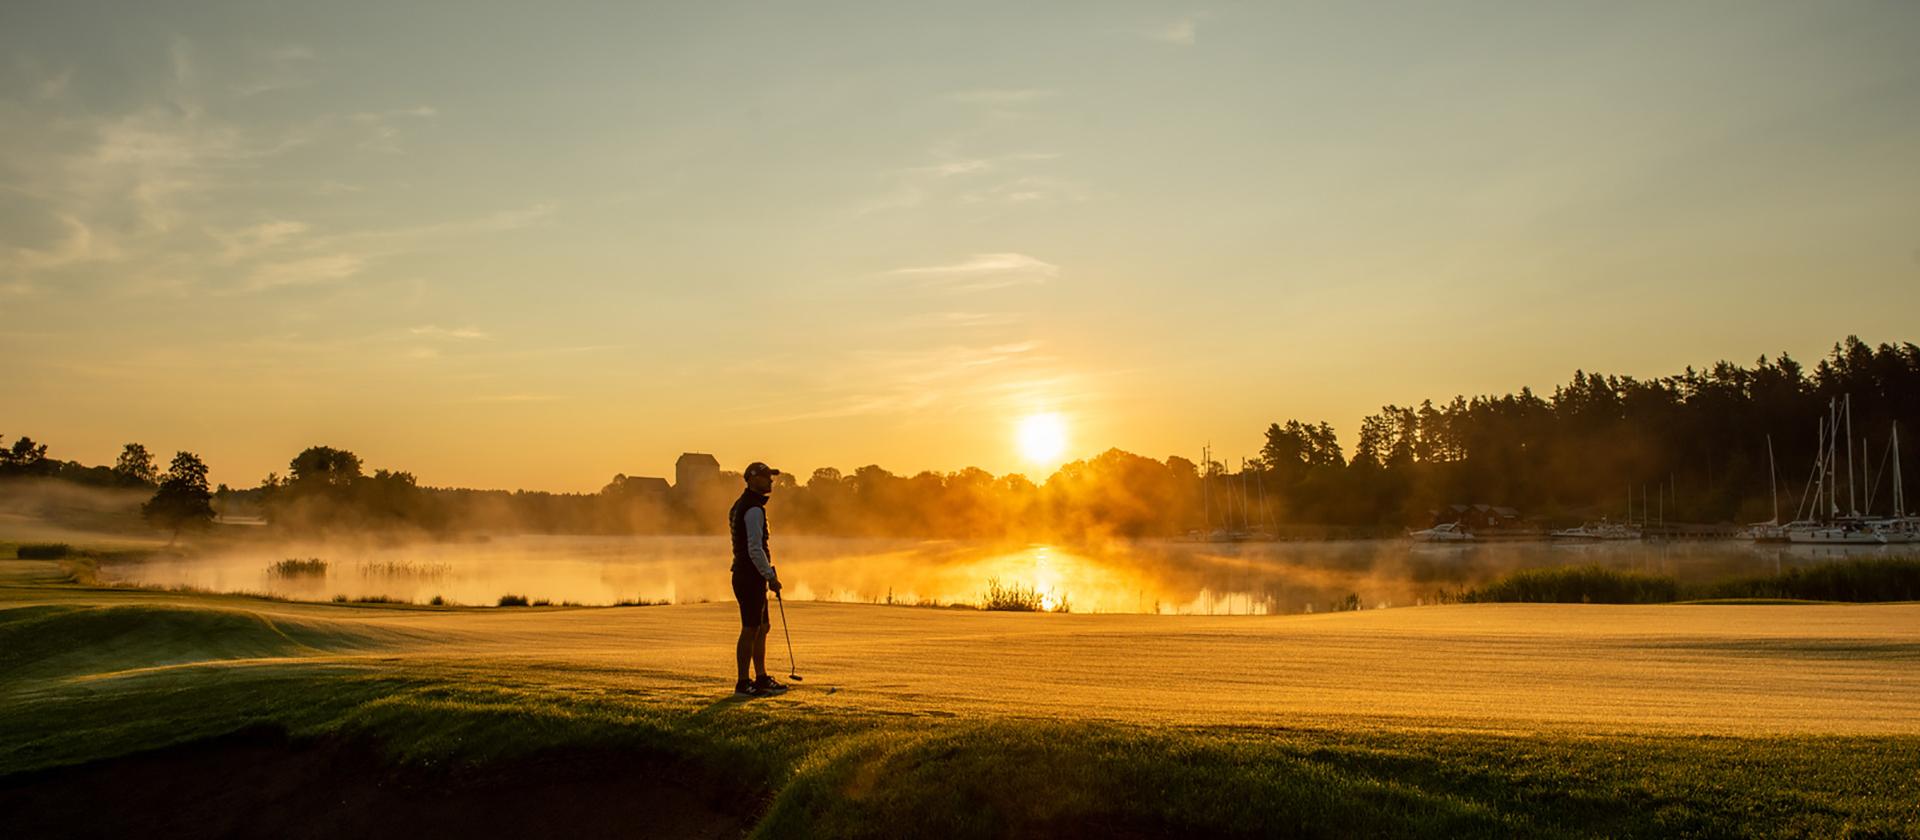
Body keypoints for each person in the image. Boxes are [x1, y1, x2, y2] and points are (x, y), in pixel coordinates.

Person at [730, 461, 788, 696]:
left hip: (748, 574)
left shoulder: (741, 505)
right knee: (750, 628)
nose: (770, 481)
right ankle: (743, 683)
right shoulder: (753, 509)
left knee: (762, 627)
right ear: (752, 479)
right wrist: (770, 576)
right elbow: (755, 548)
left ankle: (761, 677)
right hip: (749, 575)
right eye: (766, 477)